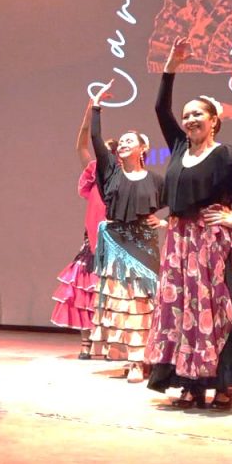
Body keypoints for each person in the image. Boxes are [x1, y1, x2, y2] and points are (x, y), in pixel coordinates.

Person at [145, 37, 232, 409]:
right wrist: (171, 66)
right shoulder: (180, 147)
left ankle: (224, 383)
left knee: (218, 310)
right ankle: (191, 381)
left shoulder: (225, 155)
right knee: (184, 309)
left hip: (212, 240)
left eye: (197, 114)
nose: (189, 120)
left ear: (214, 120)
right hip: (180, 240)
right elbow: (159, 106)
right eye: (186, 116)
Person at [87, 88, 165, 384]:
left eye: (130, 141)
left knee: (143, 302)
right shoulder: (110, 172)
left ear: (143, 148)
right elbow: (96, 141)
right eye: (121, 142)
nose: (123, 144)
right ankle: (133, 359)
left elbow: (179, 199)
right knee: (122, 301)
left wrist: (166, 221)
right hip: (117, 242)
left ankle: (143, 357)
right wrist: (96, 109)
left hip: (145, 244)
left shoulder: (156, 179)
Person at [50, 96, 111, 358]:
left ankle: (112, 344)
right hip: (92, 242)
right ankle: (86, 344)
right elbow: (82, 142)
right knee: (84, 289)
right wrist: (90, 110)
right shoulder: (93, 174)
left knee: (111, 294)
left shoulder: (125, 183)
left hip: (117, 244)